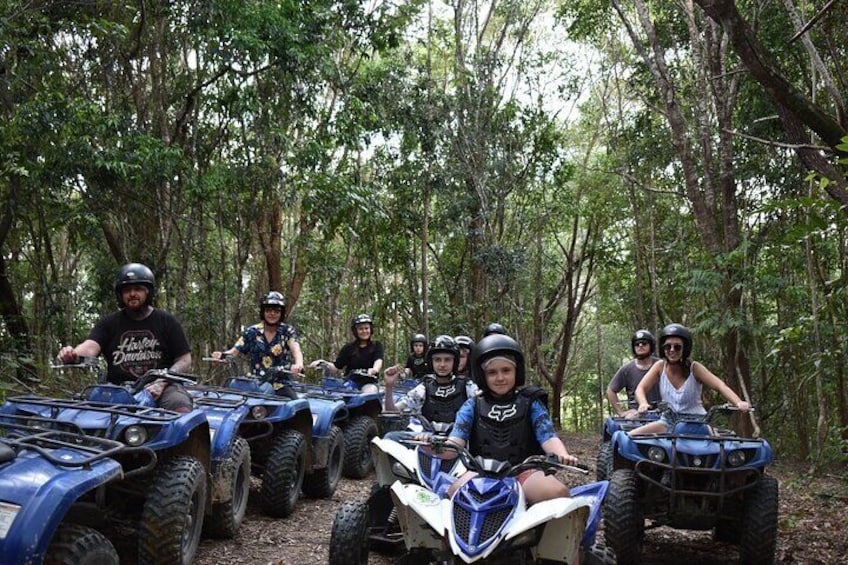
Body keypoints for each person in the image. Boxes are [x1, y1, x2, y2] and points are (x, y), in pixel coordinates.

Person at [445, 334, 579, 505]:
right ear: (482, 375)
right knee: (452, 495)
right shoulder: (472, 405)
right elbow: (454, 445)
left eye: (506, 370)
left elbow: (548, 435)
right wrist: (430, 445)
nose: (500, 378)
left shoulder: (531, 403)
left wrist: (562, 455)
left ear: (517, 371)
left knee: (557, 493)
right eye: (492, 372)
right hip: (481, 472)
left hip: (524, 472)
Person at [57, 263, 193, 413]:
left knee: (179, 405)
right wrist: (71, 354)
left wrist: (162, 382)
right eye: (127, 290)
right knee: (81, 408)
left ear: (148, 292)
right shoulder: (109, 322)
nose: (132, 294)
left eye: (138, 289)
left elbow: (184, 359)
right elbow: (90, 347)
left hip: (161, 386)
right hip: (117, 388)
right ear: (120, 295)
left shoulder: (166, 321)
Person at [630, 323, 750, 435]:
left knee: (720, 450)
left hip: (697, 422)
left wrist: (738, 402)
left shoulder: (695, 368)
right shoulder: (659, 367)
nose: (672, 350)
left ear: (684, 349)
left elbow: (720, 386)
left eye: (677, 347)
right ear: (663, 349)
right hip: (668, 421)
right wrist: (643, 403)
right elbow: (641, 388)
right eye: (668, 347)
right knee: (630, 437)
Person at [383, 335, 478, 440]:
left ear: (454, 362)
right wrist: (389, 386)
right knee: (390, 438)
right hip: (427, 438)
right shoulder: (424, 387)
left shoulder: (468, 386)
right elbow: (393, 411)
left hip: (458, 440)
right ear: (431, 362)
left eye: (447, 360)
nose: (442, 364)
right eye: (437, 360)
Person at [211, 291, 304, 397]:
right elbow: (233, 351)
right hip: (254, 382)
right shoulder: (251, 331)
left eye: (276, 310)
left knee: (294, 405)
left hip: (280, 383)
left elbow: (296, 351)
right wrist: (221, 356)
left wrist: (298, 364)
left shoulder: (287, 331)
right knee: (229, 397)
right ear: (263, 312)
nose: (272, 313)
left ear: (281, 313)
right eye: (268, 310)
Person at [310, 313, 383, 393]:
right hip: (351, 382)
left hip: (369, 383)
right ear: (356, 331)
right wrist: (322, 362)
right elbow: (336, 367)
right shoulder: (348, 348)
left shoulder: (376, 345)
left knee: (368, 393)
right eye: (361, 329)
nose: (364, 331)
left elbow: (378, 361)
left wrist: (374, 370)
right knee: (337, 393)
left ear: (370, 329)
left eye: (366, 328)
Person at [606, 329, 661, 418]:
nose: (640, 346)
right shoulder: (627, 369)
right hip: (636, 416)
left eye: (644, 343)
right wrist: (621, 412)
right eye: (637, 344)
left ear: (651, 345)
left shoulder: (661, 365)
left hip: (661, 413)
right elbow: (611, 390)